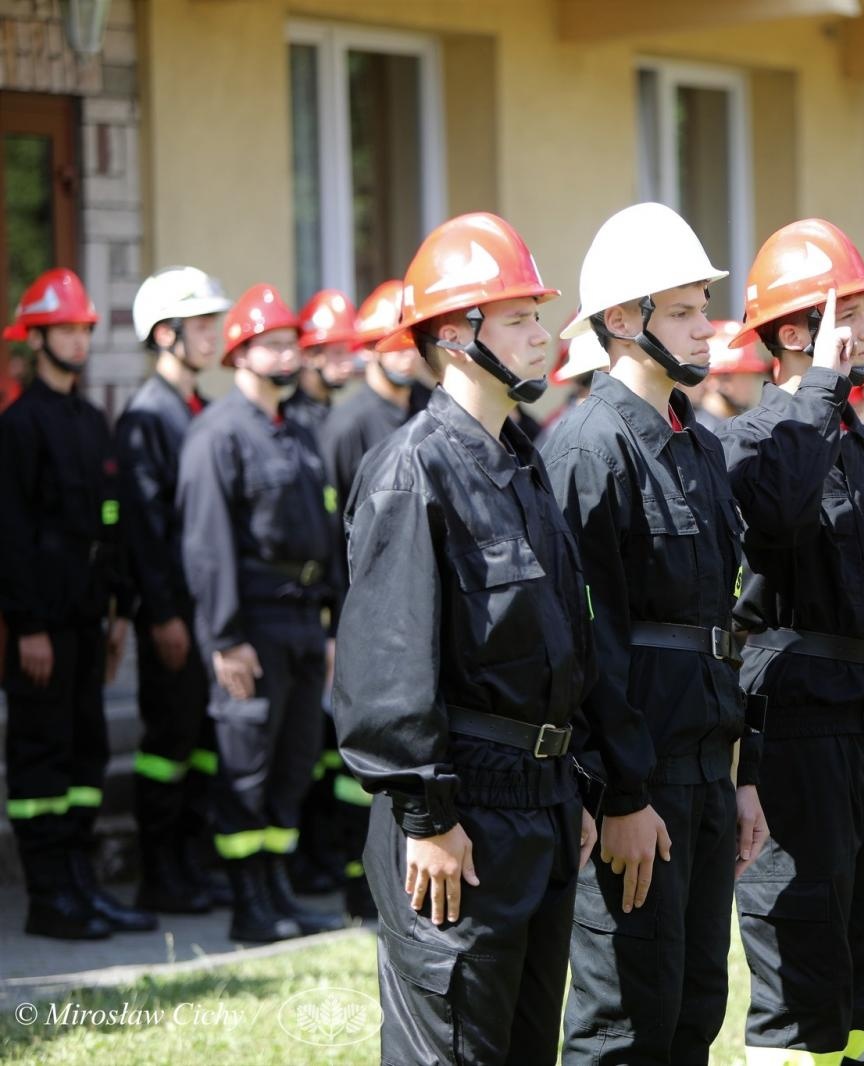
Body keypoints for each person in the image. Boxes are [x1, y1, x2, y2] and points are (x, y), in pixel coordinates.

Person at [333, 212, 597, 1064]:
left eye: (536, 314)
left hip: (541, 805)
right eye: (518, 317)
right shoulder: (412, 470)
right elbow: (386, 668)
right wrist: (426, 815)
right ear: (455, 336)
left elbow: (558, 642)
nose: (541, 334)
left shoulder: (521, 461)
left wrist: (574, 789)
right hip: (462, 821)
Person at [540, 202, 767, 1064]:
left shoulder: (698, 445)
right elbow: (583, 644)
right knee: (623, 1022)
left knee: (692, 1009)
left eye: (701, 306)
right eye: (682, 310)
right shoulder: (590, 449)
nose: (706, 327)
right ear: (622, 322)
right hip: (639, 786)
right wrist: (619, 794)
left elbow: (723, 626)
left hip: (706, 771)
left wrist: (738, 776)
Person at [716, 218, 864, 1064]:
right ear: (795, 332)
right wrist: (816, 390)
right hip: (794, 739)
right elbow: (774, 519)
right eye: (851, 312)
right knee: (799, 967)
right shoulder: (748, 442)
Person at [178, 281, 342, 943]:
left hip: (303, 620)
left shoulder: (298, 430)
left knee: (292, 763)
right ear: (241, 354)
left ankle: (277, 893)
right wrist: (224, 639)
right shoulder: (217, 435)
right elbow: (205, 546)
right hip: (253, 625)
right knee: (246, 767)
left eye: (290, 344)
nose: (286, 354)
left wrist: (330, 621)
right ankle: (249, 907)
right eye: (271, 344)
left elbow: (324, 532)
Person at [1, 268, 149, 939]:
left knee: (86, 758)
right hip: (44, 630)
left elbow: (110, 522)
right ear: (36, 338)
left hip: (91, 623)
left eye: (84, 329)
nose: (79, 341)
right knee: (42, 759)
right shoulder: (18, 425)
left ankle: (82, 886)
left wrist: (117, 616)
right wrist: (27, 626)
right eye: (64, 329)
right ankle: (49, 897)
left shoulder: (92, 421)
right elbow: (10, 533)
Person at [307, 278, 424, 919]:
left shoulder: (426, 408)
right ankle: (361, 886)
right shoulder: (349, 423)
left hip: (416, 609)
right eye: (392, 341)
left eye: (412, 340)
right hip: (361, 610)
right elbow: (331, 530)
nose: (405, 352)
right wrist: (334, 621)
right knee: (364, 759)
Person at [120, 265, 234, 915]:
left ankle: (191, 866)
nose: (213, 335)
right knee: (167, 745)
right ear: (165, 335)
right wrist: (162, 614)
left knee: (203, 744)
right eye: (201, 325)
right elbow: (144, 530)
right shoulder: (148, 417)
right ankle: (158, 875)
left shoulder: (198, 409)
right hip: (174, 615)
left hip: (206, 613)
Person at [282, 289, 358, 435]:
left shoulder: (337, 416)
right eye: (338, 353)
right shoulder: (289, 424)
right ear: (308, 354)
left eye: (350, 353)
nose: (348, 365)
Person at [696, 319, 772, 432]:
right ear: (717, 380)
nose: (751, 387)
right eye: (746, 378)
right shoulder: (704, 434)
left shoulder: (731, 428)